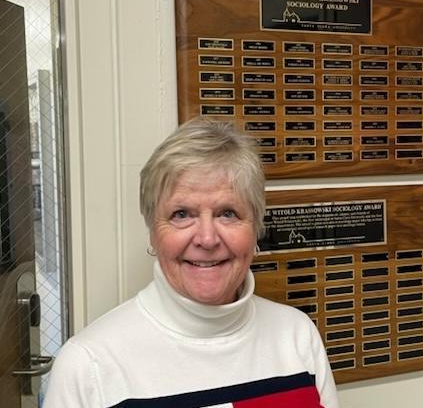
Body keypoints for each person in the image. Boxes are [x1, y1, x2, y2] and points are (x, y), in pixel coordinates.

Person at [44, 118, 339, 408]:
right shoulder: (88, 365)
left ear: (255, 229)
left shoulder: (296, 336)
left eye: (228, 213)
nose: (207, 239)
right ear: (152, 232)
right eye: (182, 214)